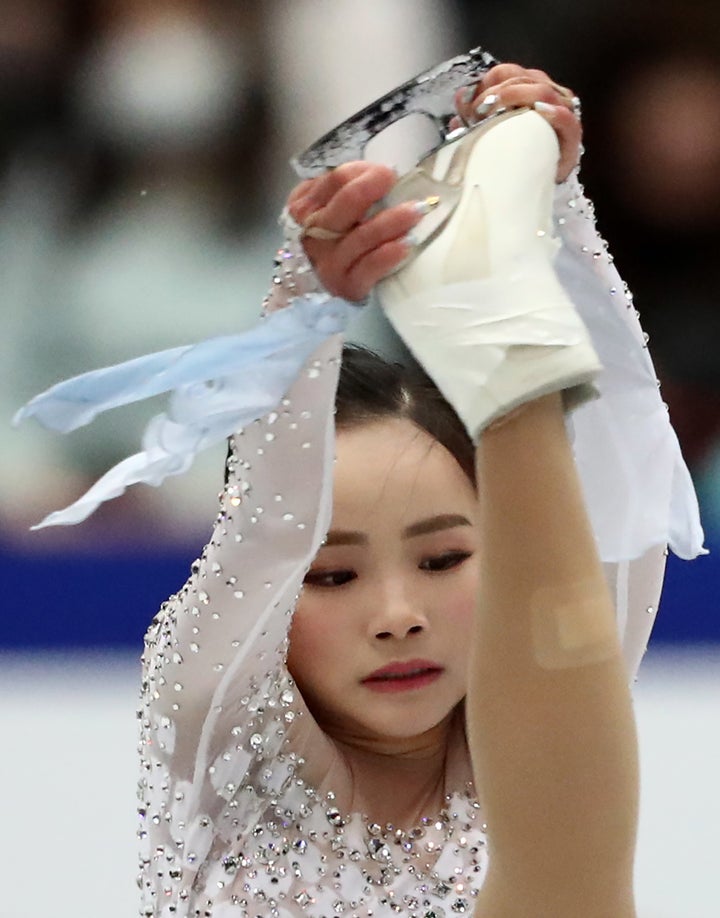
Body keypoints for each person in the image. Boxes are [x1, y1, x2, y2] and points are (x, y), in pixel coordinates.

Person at [16, 60, 703, 917]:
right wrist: (307, 300)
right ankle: (506, 358)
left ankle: (504, 335)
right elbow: (269, 534)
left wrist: (553, 209)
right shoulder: (213, 716)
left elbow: (610, 502)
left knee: (570, 661)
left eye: (445, 558)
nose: (397, 614)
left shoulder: (544, 697)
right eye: (335, 575)